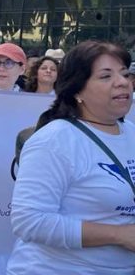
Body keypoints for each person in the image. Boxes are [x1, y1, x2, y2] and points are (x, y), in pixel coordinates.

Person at [8, 41, 135, 274]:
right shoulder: (54, 141)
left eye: (125, 74)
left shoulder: (131, 133)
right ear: (77, 89)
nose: (122, 82)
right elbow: (29, 221)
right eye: (106, 76)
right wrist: (119, 235)